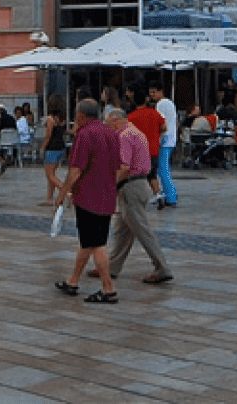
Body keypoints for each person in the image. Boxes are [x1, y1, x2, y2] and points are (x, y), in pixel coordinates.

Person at [55, 98, 122, 304]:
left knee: (96, 243)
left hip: (87, 196)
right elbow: (118, 166)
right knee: (88, 240)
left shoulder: (84, 135)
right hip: (107, 195)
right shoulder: (111, 133)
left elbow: (76, 170)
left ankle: (108, 288)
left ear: (81, 116)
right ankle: (73, 281)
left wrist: (63, 193)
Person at [105, 106, 173, 285]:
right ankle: (111, 267)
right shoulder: (136, 132)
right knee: (122, 230)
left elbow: (124, 167)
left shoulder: (123, 136)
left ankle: (162, 267)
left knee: (142, 230)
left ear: (116, 121)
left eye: (108, 124)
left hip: (131, 187)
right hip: (140, 184)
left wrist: (110, 186)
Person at [148, 84, 179, 207]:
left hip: (165, 140)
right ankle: (170, 195)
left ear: (160, 91)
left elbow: (161, 123)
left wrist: (158, 138)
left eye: (154, 92)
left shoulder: (161, 104)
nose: (152, 95)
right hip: (171, 139)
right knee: (164, 169)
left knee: (163, 170)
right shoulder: (170, 103)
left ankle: (171, 197)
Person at [38, 96, 68, 207]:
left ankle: (67, 193)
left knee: (50, 176)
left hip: (51, 148)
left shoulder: (50, 119)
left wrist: (42, 148)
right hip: (60, 147)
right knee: (52, 175)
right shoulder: (62, 119)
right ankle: (49, 199)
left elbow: (48, 135)